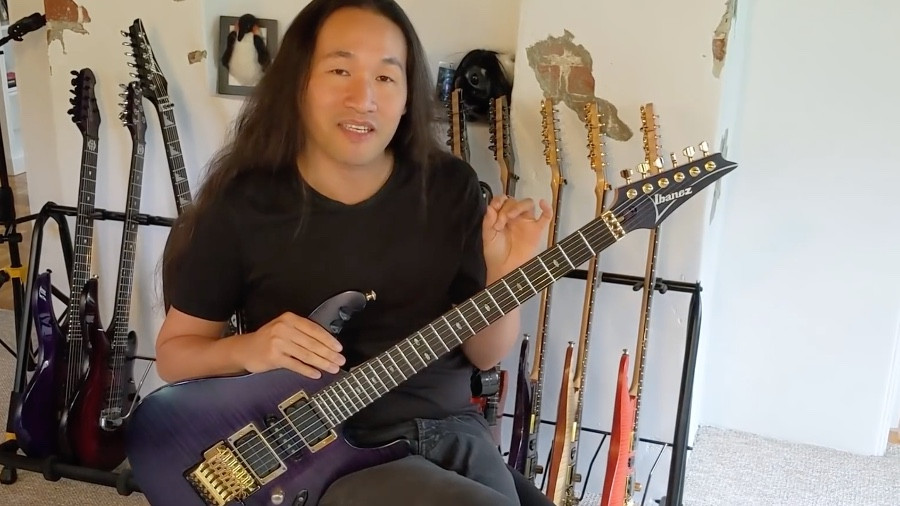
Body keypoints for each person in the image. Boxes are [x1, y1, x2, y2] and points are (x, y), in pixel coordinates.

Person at [156, 1, 555, 505]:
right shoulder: (244, 204)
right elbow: (174, 356)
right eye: (340, 70)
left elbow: (485, 354)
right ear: (299, 82)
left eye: (386, 78)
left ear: (407, 97)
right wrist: (250, 348)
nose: (363, 99)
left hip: (452, 432)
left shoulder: (449, 187)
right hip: (331, 455)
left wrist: (505, 276)